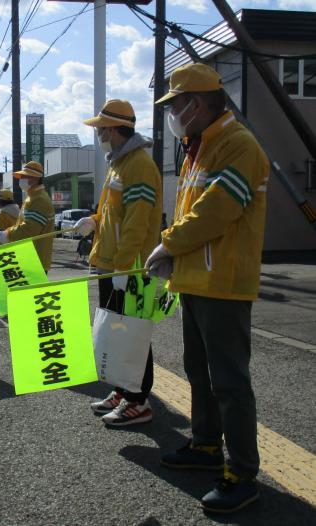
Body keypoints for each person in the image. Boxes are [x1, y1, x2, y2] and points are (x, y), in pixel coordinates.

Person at [145, 63, 268, 514]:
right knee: (200, 370)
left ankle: (242, 472)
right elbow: (195, 214)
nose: (172, 114)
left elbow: (217, 210)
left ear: (196, 104)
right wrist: (174, 254)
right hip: (197, 279)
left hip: (224, 282)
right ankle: (205, 445)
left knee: (230, 381)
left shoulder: (238, 145)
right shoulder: (199, 147)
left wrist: (168, 244)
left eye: (175, 104)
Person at [75, 99, 162, 426]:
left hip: (129, 267)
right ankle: (123, 392)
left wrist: (126, 269)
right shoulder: (119, 163)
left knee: (132, 334)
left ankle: (138, 400)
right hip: (111, 264)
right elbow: (114, 212)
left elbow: (137, 224)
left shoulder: (138, 164)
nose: (98, 134)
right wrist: (94, 221)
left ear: (112, 129)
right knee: (115, 331)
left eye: (100, 129)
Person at [0, 161, 54, 272]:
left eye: (24, 176)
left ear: (36, 178)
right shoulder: (32, 197)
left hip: (35, 260)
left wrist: (8, 234)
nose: (21, 179)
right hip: (29, 257)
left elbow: (30, 229)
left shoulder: (39, 199)